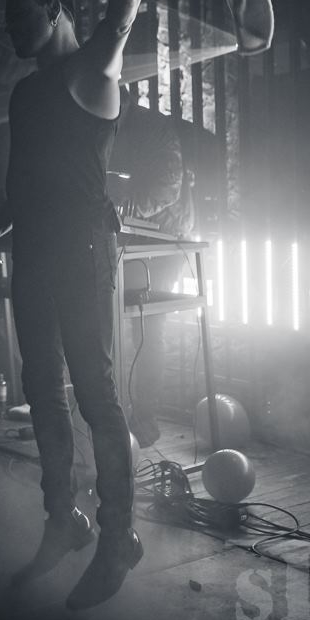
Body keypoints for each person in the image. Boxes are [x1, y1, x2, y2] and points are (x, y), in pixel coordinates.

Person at [0, 0, 146, 611]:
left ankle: (118, 537)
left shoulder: (89, 71)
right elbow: (25, 184)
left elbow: (121, 17)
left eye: (19, 17)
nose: (10, 29)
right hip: (33, 251)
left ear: (55, 10)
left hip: (83, 249)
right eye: (7, 20)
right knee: (41, 385)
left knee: (95, 393)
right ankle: (61, 521)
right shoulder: (25, 91)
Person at [109, 94, 196, 448]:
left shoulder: (154, 128)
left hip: (165, 238)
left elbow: (167, 187)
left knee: (148, 328)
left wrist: (122, 211)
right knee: (112, 324)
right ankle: (116, 415)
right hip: (129, 237)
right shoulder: (106, 125)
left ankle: (144, 418)